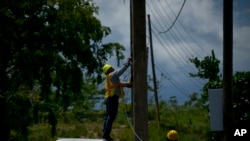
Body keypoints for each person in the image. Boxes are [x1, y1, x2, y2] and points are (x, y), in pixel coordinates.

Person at [102, 57, 132, 141]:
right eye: (111, 68)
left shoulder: (109, 77)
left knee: (108, 116)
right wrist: (128, 63)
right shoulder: (113, 74)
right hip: (112, 98)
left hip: (108, 98)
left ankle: (105, 133)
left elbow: (118, 85)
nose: (113, 68)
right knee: (111, 117)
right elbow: (121, 71)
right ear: (108, 70)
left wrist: (127, 84)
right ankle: (106, 135)